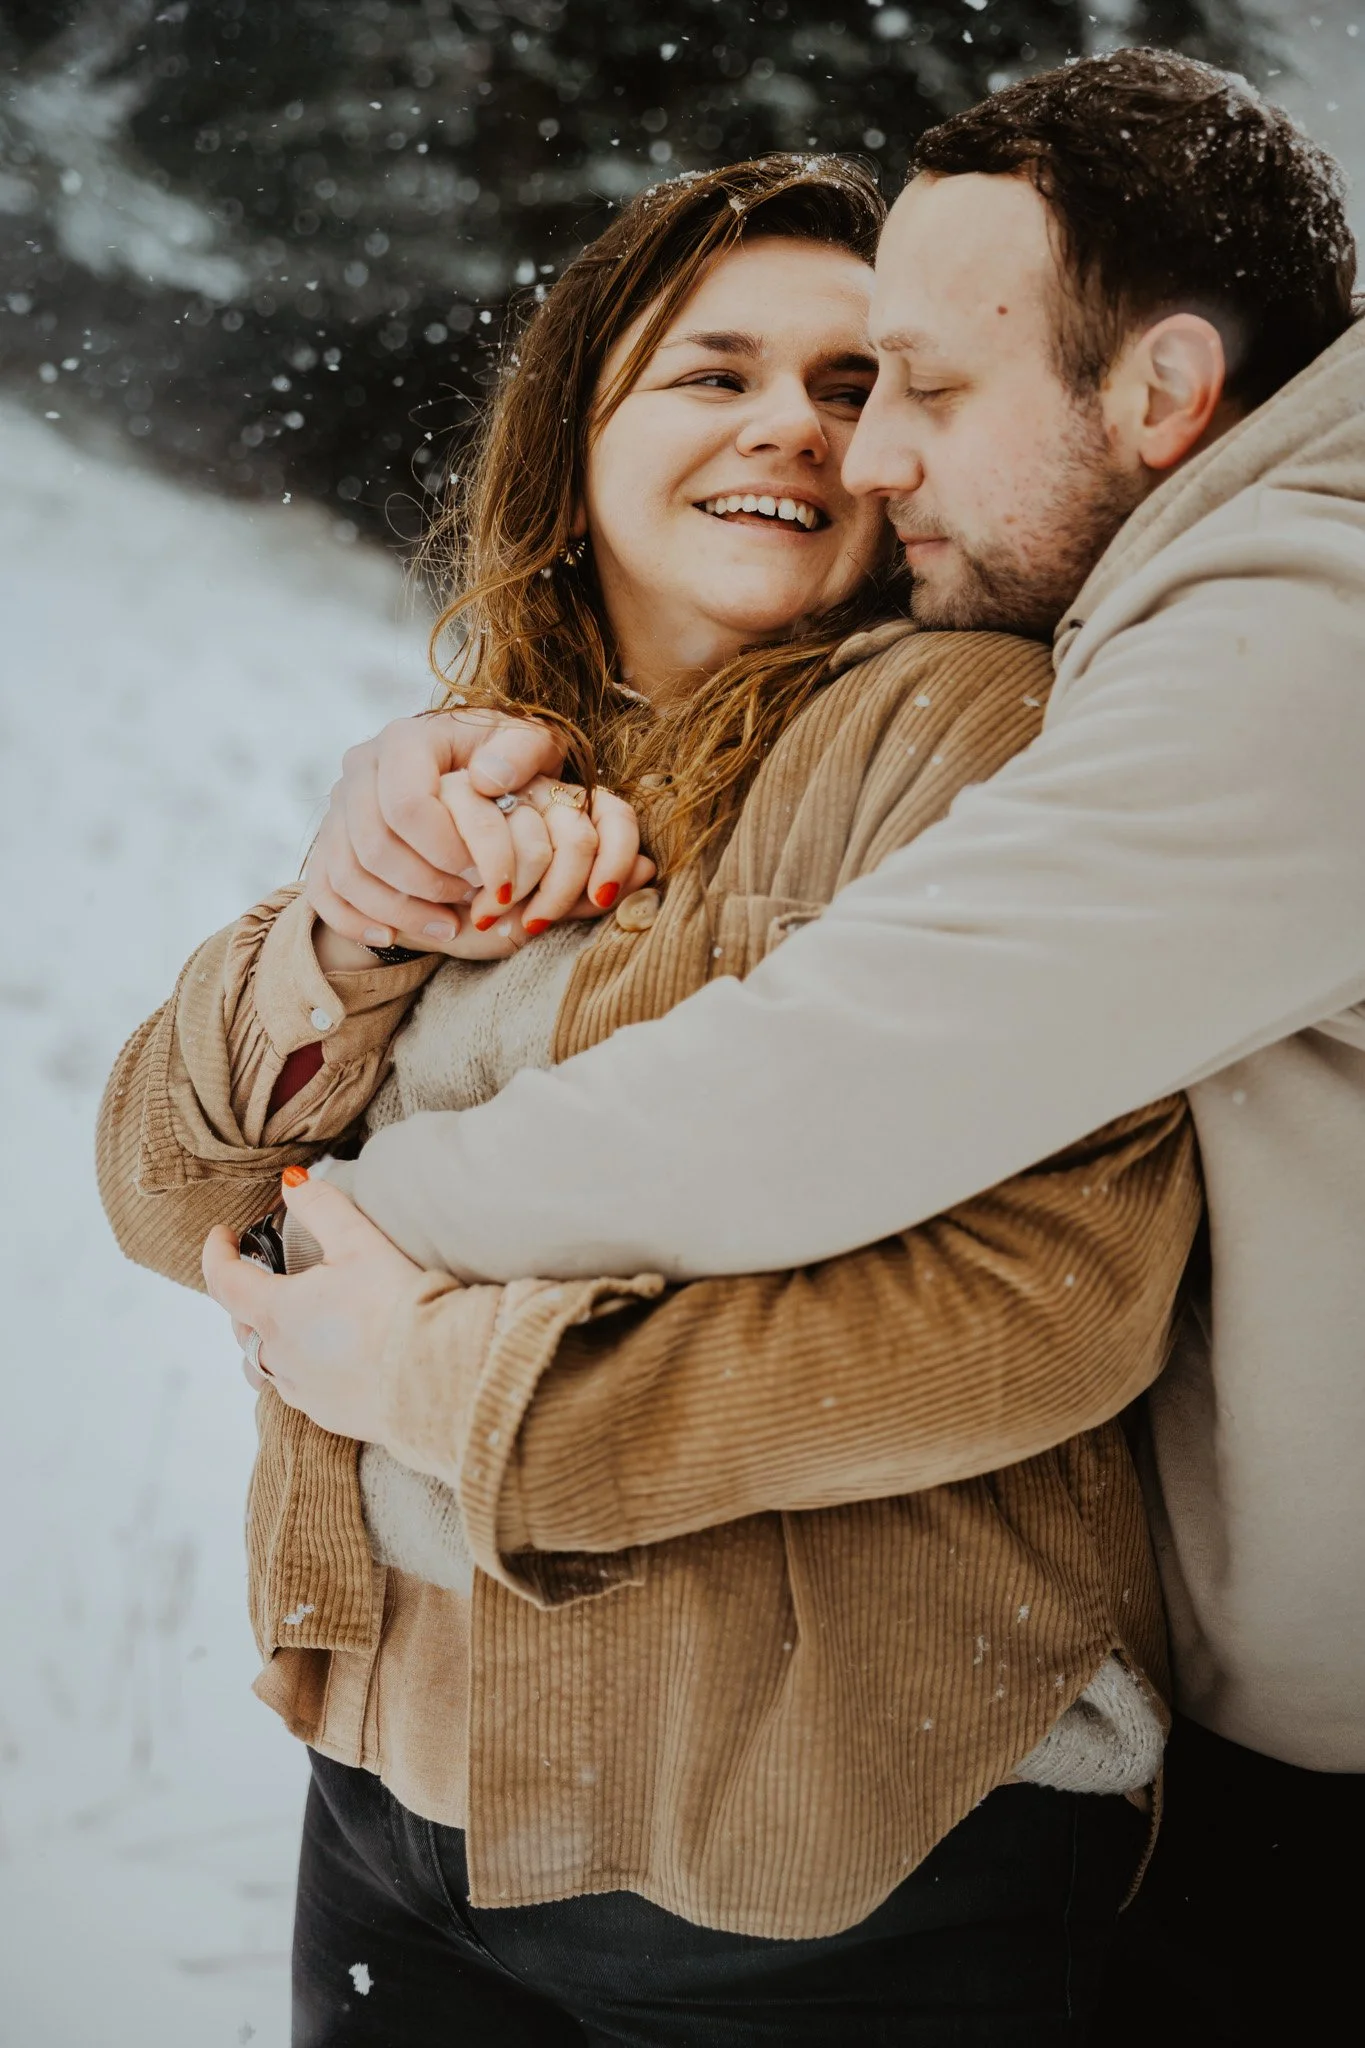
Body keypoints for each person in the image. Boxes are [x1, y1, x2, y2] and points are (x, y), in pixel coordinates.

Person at [249, 52, 1365, 2046]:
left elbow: (885, 1146)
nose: (859, 457)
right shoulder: (519, 763)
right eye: (716, 374)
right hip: (436, 1803)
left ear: (1165, 395)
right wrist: (345, 912)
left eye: (909, 389)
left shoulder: (1259, 647)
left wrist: (367, 1274)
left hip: (898, 1843)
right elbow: (173, 1141)